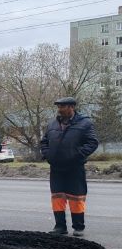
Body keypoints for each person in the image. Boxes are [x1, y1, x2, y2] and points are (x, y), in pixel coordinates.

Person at [40, 97, 98, 237]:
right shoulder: (52, 124)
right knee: (57, 197)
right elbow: (44, 142)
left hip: (74, 167)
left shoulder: (84, 123)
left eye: (63, 106)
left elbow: (92, 142)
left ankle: (78, 227)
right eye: (58, 106)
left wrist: (77, 155)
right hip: (56, 167)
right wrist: (48, 155)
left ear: (72, 107)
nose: (59, 109)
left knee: (76, 197)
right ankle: (60, 226)